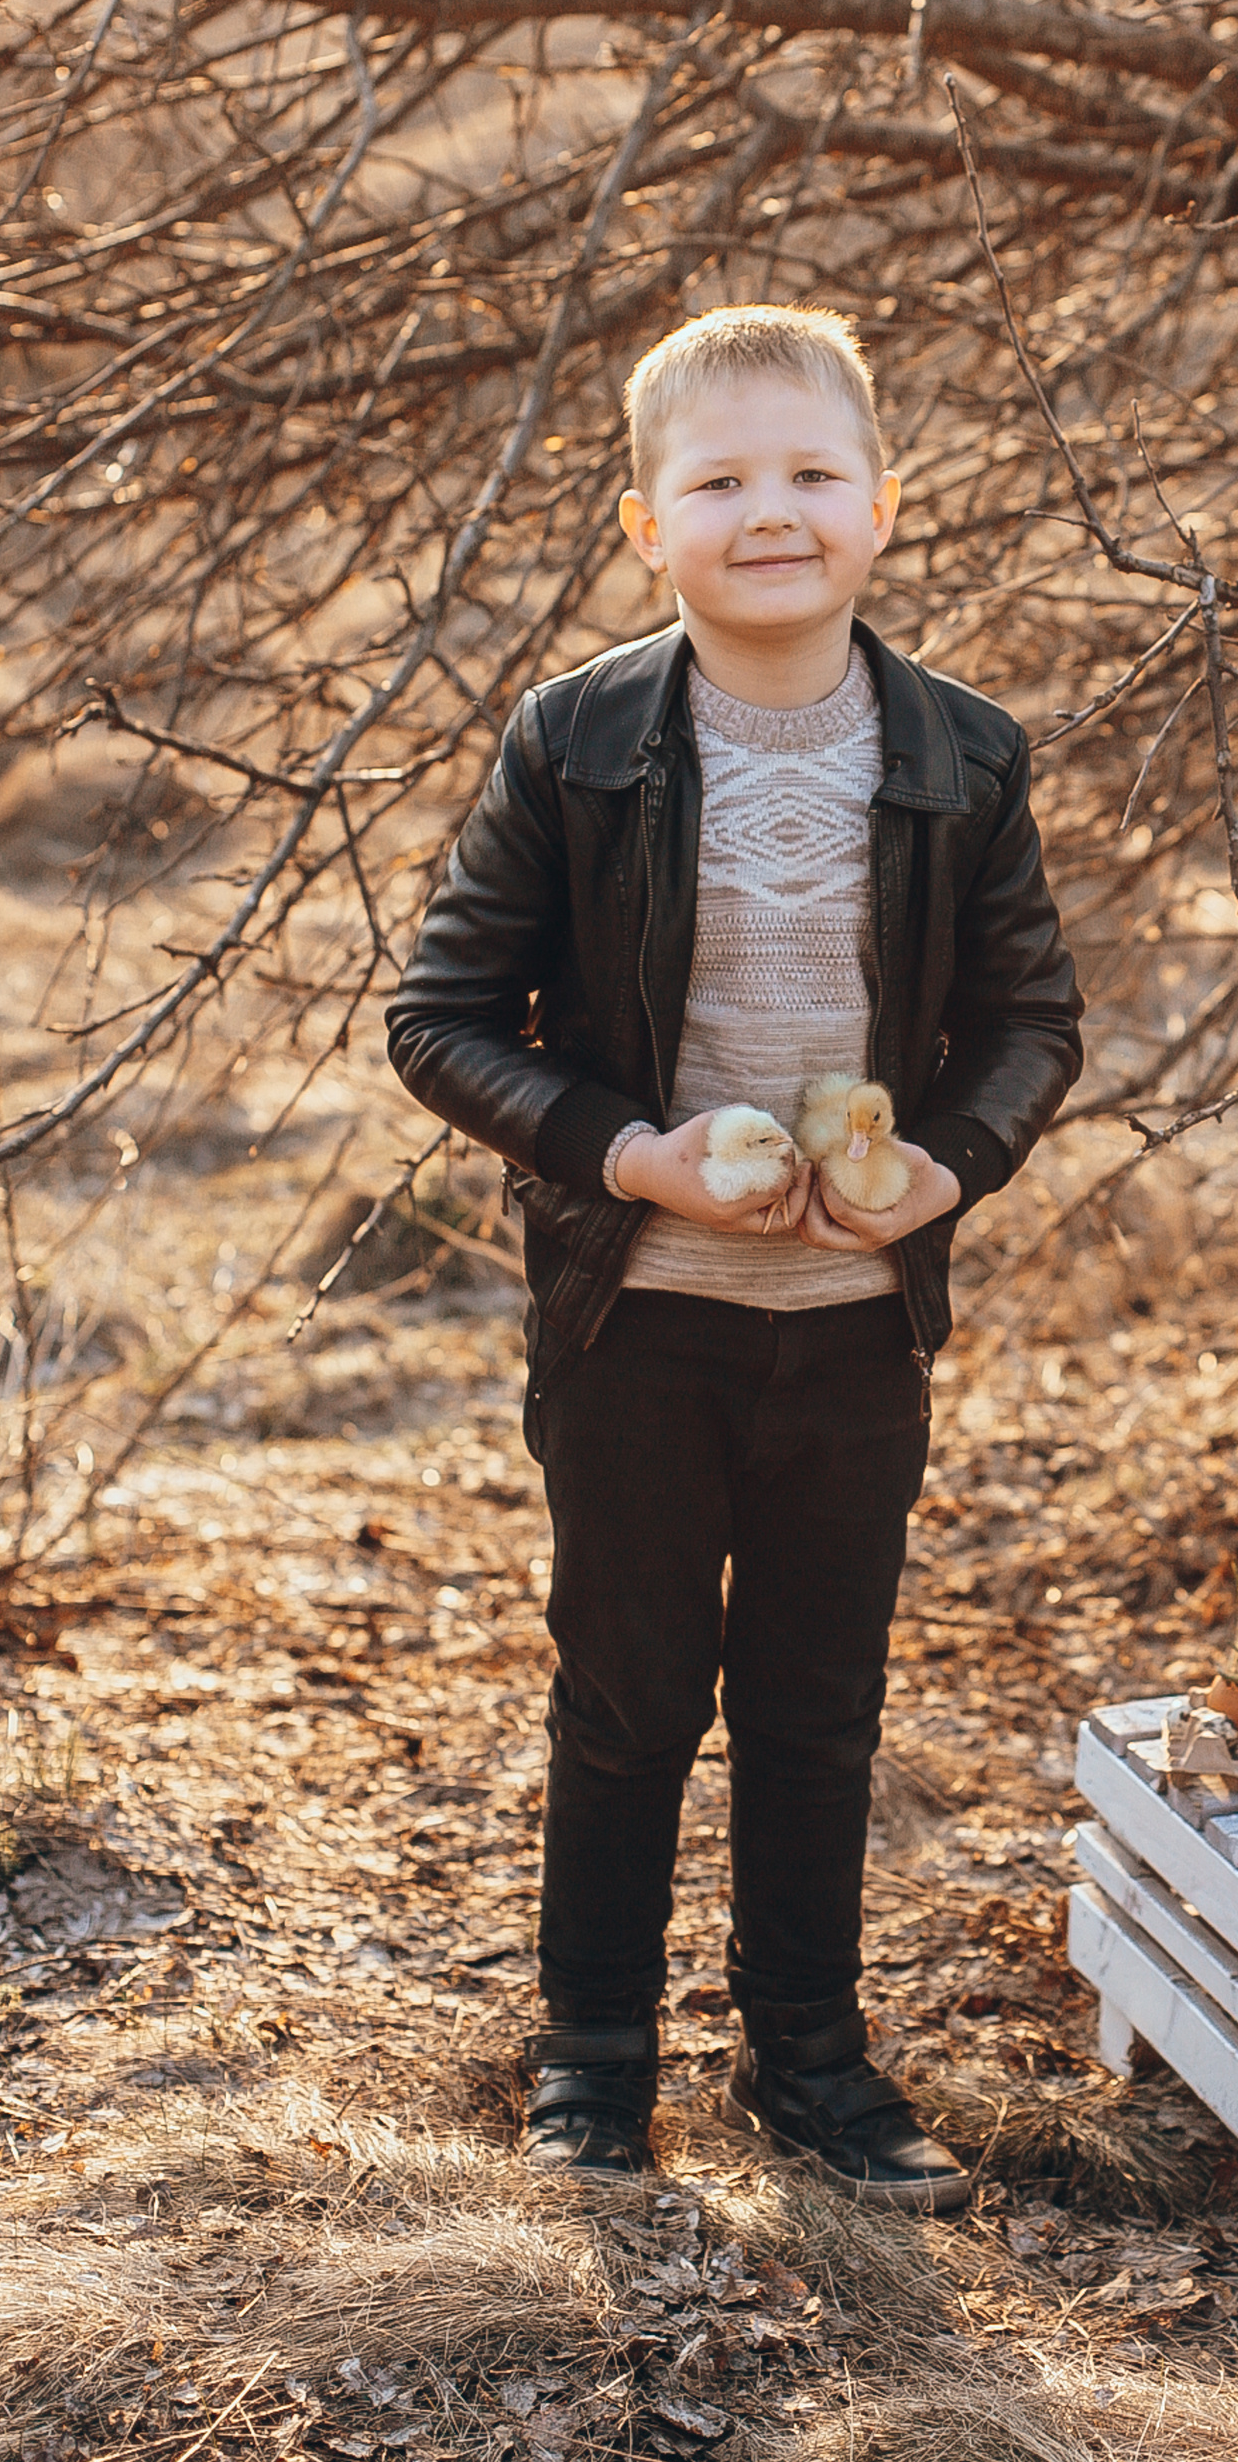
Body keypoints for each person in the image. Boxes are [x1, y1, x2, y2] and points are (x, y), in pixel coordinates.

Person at [386, 304, 1082, 2204]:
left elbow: (1034, 1026)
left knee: (814, 1704)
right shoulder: (581, 741)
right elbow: (441, 1017)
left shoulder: (961, 755)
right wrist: (634, 1160)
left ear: (881, 506)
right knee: (626, 1694)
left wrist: (943, 1170)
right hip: (641, 1321)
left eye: (809, 475)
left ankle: (811, 2063)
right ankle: (595, 2057)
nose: (769, 513)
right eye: (720, 482)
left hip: (853, 1329)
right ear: (645, 524)